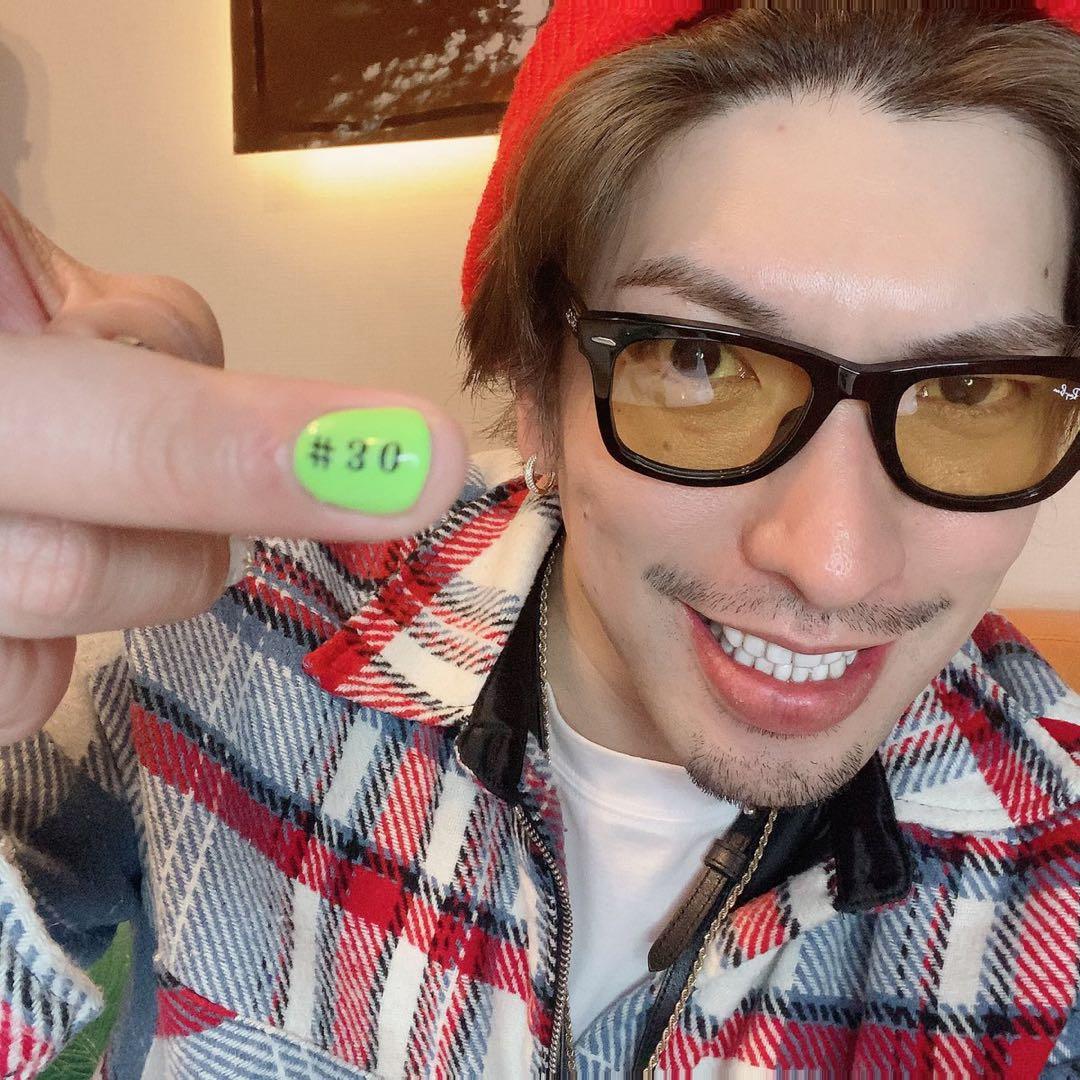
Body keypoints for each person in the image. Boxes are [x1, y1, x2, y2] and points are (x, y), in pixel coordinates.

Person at [2, 1, 1080, 1076]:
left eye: (974, 391)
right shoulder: (227, 631)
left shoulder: (1054, 863)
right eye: (699, 363)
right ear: (534, 393)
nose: (833, 563)